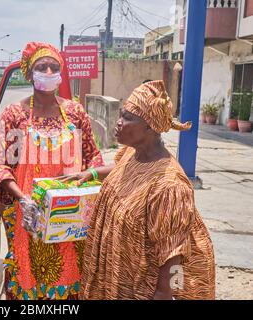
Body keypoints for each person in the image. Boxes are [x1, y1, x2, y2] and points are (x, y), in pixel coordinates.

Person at [0, 42, 104, 300]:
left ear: (60, 74)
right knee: (27, 274)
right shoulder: (14, 114)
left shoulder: (75, 113)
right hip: (28, 214)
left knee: (70, 275)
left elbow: (93, 155)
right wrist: (23, 199)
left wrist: (90, 183)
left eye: (54, 67)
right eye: (41, 66)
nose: (48, 70)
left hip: (70, 214)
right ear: (30, 74)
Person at [62, 80, 215, 300]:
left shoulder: (169, 186)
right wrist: (92, 173)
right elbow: (122, 168)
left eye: (128, 118)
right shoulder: (134, 153)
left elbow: (174, 256)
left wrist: (164, 294)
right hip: (116, 277)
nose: (119, 122)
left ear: (150, 127)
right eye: (121, 114)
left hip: (143, 288)